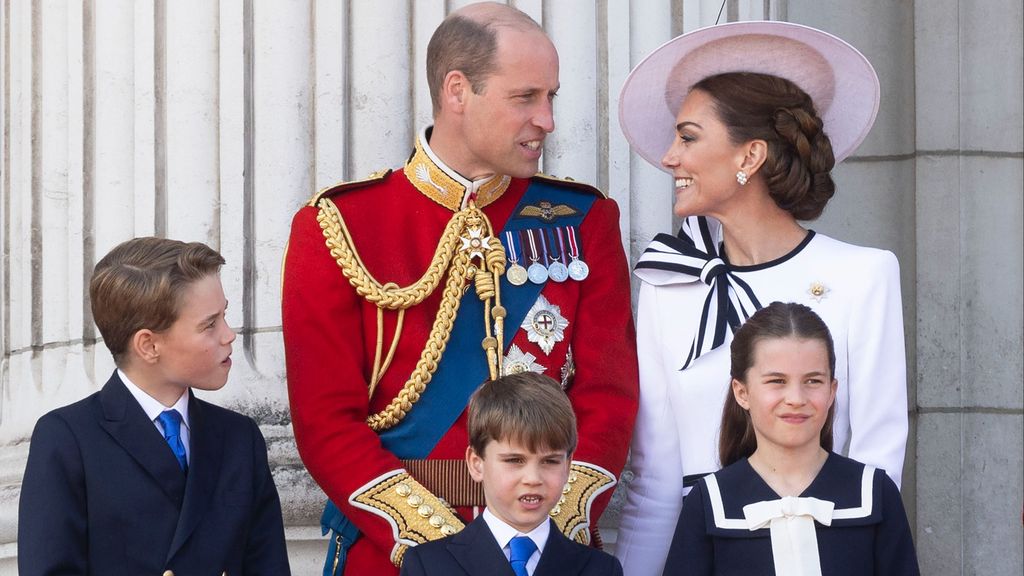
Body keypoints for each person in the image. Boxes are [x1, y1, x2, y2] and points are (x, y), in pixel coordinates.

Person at [281, 3, 638, 574]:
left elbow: (609, 398)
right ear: (456, 91)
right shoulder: (340, 226)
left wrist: (542, 529)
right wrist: (446, 550)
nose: (546, 119)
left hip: (545, 547)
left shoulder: (581, 219)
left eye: (552, 97)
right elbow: (325, 423)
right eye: (526, 97)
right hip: (398, 552)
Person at [614, 21, 908, 575]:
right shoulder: (666, 284)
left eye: (689, 137)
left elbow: (878, 464)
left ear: (749, 156)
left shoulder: (864, 275)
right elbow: (654, 482)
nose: (669, 156)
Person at [18, 237, 291, 576]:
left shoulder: (239, 438)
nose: (229, 334)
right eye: (209, 324)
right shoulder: (68, 438)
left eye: (225, 315)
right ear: (148, 345)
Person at [663, 302, 919, 575]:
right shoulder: (709, 501)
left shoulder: (875, 493)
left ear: (832, 390)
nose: (796, 399)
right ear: (742, 392)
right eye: (777, 381)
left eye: (813, 381)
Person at [399, 372, 624, 576]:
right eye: (515, 461)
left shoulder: (601, 569)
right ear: (477, 464)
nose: (533, 478)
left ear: (568, 466)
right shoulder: (428, 565)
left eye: (550, 461)